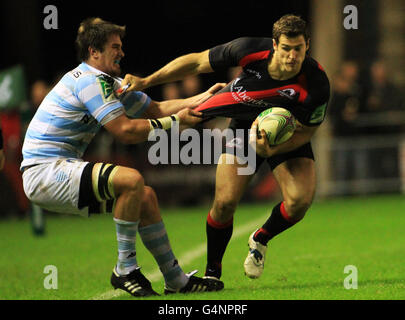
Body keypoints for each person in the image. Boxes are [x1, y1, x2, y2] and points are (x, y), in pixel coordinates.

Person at [20, 17, 225, 297]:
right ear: (94, 51)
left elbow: (155, 108)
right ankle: (125, 269)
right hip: (44, 172)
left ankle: (176, 280)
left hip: (60, 167)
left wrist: (203, 97)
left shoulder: (108, 83)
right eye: (115, 46)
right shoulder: (89, 82)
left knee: (145, 197)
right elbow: (126, 131)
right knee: (131, 180)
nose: (122, 52)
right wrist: (177, 121)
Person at [120, 14, 330, 284]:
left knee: (299, 201)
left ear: (307, 45)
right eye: (286, 48)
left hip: (287, 132)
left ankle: (260, 239)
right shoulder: (249, 50)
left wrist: (272, 149)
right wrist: (147, 81)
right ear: (275, 45)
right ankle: (212, 273)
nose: (292, 56)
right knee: (224, 202)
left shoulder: (316, 82)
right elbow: (196, 61)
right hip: (244, 127)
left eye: (298, 49)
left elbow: (309, 129)